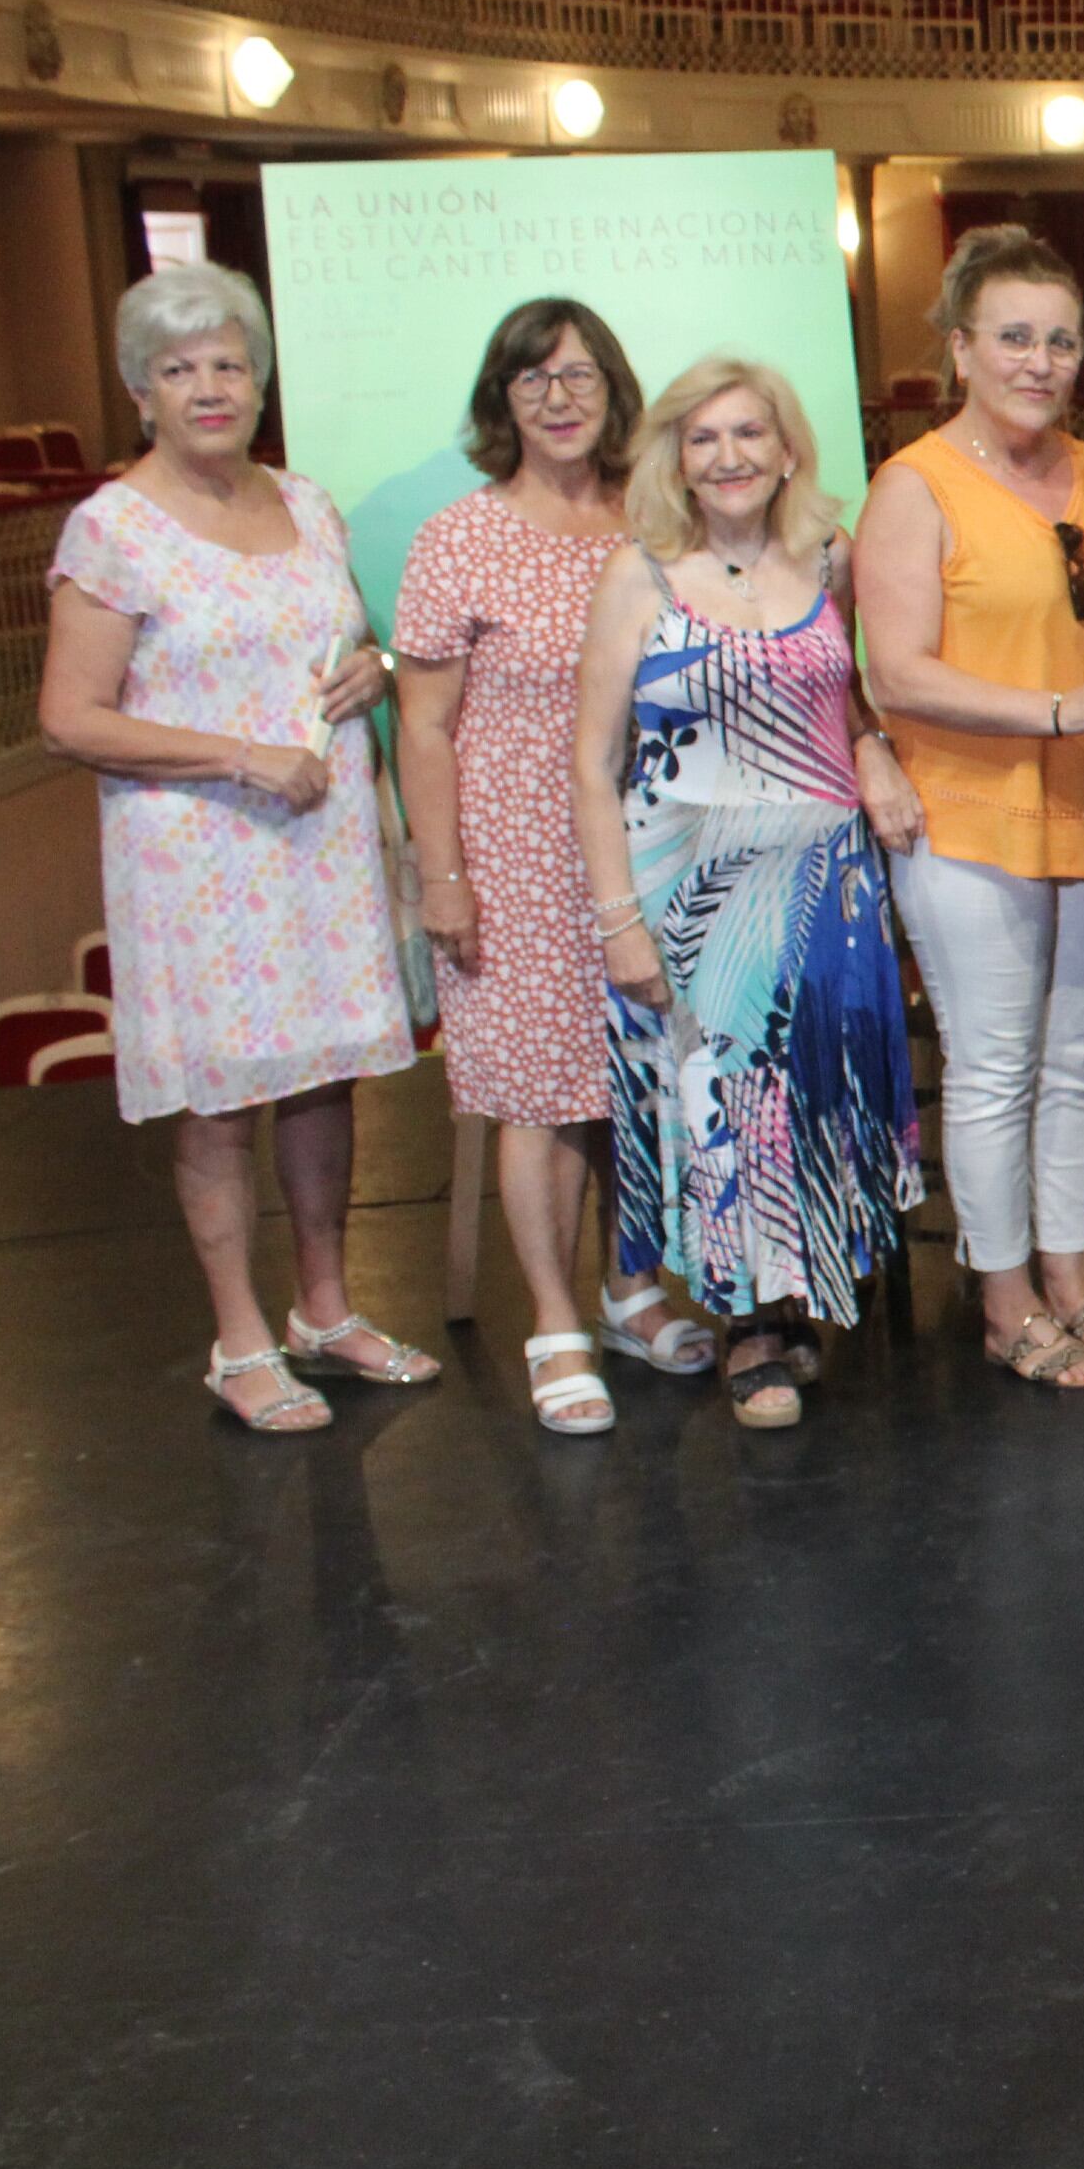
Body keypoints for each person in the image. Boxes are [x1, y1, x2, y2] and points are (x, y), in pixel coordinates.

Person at [38, 261, 432, 1435]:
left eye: (228, 364)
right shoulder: (109, 528)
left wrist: (379, 669)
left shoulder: (308, 504)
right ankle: (241, 1337)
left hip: (322, 847)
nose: (209, 387)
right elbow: (70, 718)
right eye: (179, 369)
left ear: (258, 382)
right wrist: (240, 756)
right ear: (138, 390)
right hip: (197, 858)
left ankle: (325, 1309)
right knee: (218, 1105)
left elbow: (344, 646)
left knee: (323, 1082)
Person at [571, 355, 925, 1433]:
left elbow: (849, 695)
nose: (728, 457)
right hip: (692, 889)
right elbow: (593, 764)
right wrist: (618, 919)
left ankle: (798, 1293)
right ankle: (747, 1328)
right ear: (677, 455)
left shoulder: (831, 555)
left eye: (748, 435)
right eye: (705, 438)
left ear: (784, 451)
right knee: (723, 1101)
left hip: (824, 876)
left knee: (806, 1093)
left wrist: (876, 754)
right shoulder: (640, 574)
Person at [395, 298, 716, 1436]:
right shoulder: (459, 537)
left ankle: (632, 1289)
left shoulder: (660, 521)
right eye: (532, 380)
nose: (560, 398)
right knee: (535, 1089)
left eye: (579, 376)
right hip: (516, 852)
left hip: (657, 844)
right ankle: (553, 1318)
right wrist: (443, 876)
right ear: (502, 401)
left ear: (614, 390)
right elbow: (422, 725)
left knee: (639, 1078)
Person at [856, 226, 1084, 1394]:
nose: (1039, 360)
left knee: (1076, 1060)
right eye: (1015, 338)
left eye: (1060, 340)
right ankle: (1000, 1296)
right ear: (961, 350)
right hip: (969, 808)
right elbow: (897, 672)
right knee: (992, 1066)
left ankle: (1075, 1281)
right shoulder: (915, 483)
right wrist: (1056, 706)